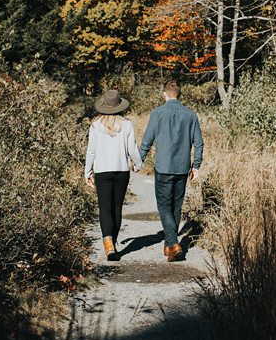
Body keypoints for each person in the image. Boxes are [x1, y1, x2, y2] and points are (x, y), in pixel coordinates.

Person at [139, 78, 204, 262]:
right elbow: (198, 143)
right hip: (183, 168)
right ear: (179, 95)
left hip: (164, 167)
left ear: (164, 95)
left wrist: (139, 159)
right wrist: (196, 166)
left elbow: (147, 140)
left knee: (163, 205)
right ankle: (170, 246)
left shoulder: (157, 113)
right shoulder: (191, 115)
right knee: (176, 206)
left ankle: (173, 243)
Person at [85, 88, 142, 261]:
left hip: (102, 171)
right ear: (119, 106)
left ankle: (108, 242)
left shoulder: (95, 125)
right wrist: (138, 163)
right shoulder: (127, 124)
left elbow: (91, 151)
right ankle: (113, 243)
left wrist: (87, 171)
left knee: (104, 207)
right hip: (121, 170)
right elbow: (132, 148)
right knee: (116, 207)